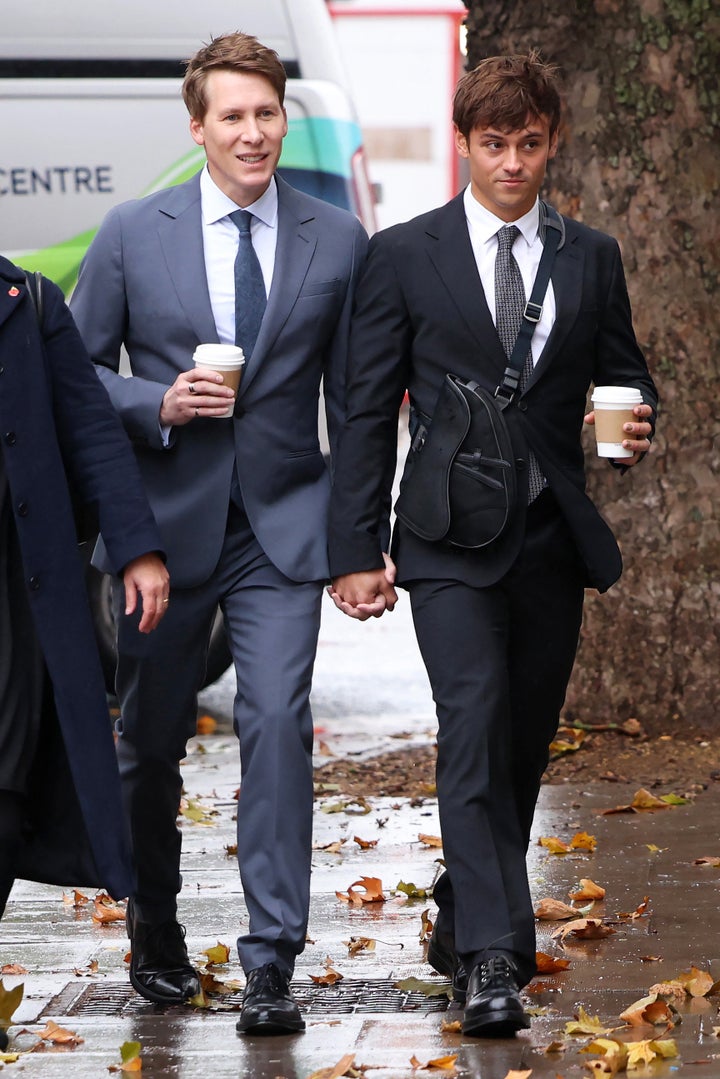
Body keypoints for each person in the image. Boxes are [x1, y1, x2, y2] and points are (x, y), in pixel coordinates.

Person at [327, 53, 657, 1038]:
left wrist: (635, 424)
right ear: (466, 144)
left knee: (516, 747)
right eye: (493, 142)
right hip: (445, 539)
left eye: (528, 142)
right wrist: (353, 546)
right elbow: (360, 407)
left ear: (551, 143)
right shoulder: (404, 254)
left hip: (553, 539)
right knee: (470, 728)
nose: (511, 161)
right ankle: (492, 960)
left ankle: (461, 902)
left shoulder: (590, 255)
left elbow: (625, 379)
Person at [69, 32, 368, 1035]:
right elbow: (76, 373)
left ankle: (271, 958)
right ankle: (154, 922)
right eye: (232, 115)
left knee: (277, 722)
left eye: (267, 112)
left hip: (284, 525)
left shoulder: (336, 238)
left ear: (286, 118)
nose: (253, 132)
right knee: (147, 741)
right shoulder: (129, 231)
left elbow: (358, 405)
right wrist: (160, 399)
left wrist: (358, 538)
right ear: (197, 126)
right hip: (158, 527)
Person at [0, 258, 168, 1049]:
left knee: (5, 787)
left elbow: (92, 428)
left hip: (16, 582)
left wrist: (135, 547)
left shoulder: (26, 300)